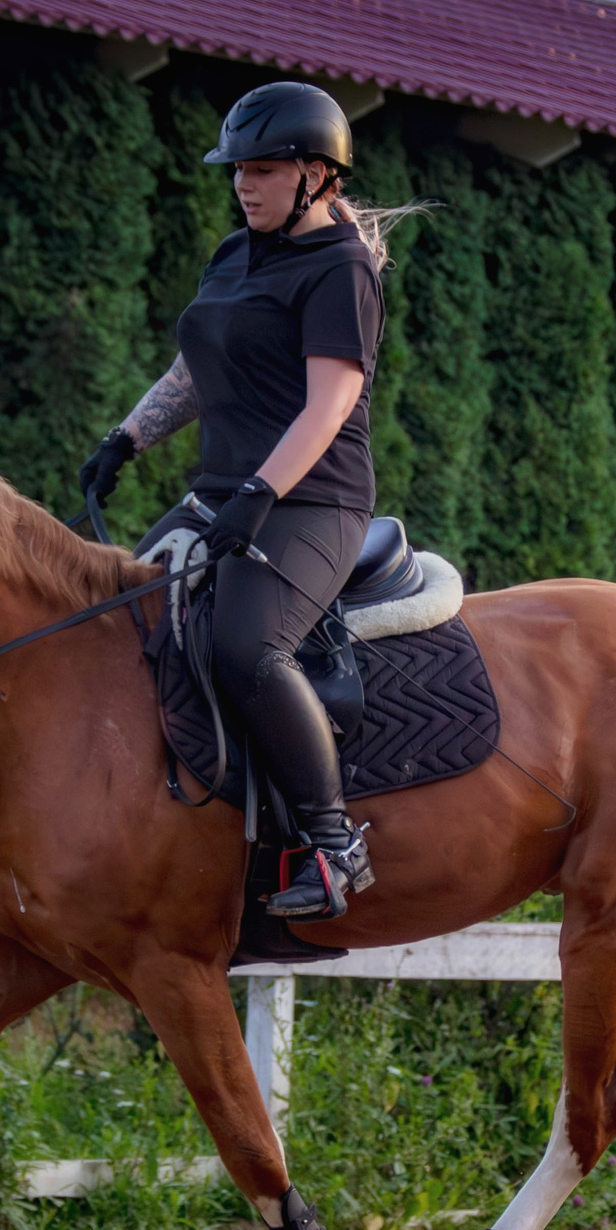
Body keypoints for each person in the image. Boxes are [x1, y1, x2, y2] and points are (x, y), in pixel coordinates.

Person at [81, 80, 404, 921]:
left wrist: (261, 493)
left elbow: (327, 404)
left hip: (312, 504)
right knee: (117, 622)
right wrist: (126, 438)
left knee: (246, 649)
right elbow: (200, 365)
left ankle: (335, 848)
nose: (243, 185)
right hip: (224, 495)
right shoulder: (237, 253)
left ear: (318, 176)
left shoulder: (344, 270)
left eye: (262, 170)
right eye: (237, 171)